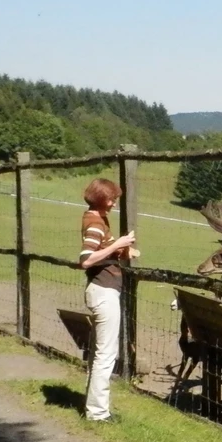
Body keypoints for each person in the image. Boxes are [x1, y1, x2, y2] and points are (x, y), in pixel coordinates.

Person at [79, 178, 137, 421]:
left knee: (99, 354)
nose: (114, 203)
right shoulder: (95, 223)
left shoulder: (96, 218)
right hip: (104, 292)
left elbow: (103, 247)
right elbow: (86, 258)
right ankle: (98, 413)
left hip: (100, 290)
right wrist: (121, 243)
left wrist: (123, 249)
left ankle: (94, 406)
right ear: (101, 199)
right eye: (111, 199)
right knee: (106, 355)